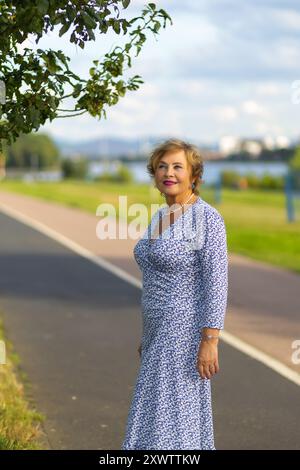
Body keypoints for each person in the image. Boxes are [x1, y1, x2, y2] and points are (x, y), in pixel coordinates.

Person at [121, 138, 228, 450]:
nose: (168, 172)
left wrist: (210, 340)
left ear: (194, 174)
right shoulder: (160, 216)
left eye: (178, 166)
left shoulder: (207, 219)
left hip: (184, 332)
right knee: (156, 410)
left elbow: (217, 282)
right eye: (162, 166)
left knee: (175, 415)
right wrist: (148, 333)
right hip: (156, 331)